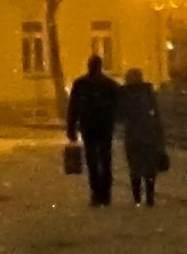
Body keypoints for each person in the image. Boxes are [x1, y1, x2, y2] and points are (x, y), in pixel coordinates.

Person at [65, 55, 121, 207]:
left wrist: (71, 127)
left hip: (89, 127)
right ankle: (104, 194)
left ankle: (97, 193)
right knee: (104, 160)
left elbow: (73, 108)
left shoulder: (81, 84)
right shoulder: (109, 85)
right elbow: (119, 105)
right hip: (103, 126)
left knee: (93, 162)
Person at [117, 67, 169, 206]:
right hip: (148, 135)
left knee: (135, 167)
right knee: (149, 168)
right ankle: (150, 197)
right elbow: (155, 115)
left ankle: (137, 198)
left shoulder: (125, 94)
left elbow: (120, 116)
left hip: (133, 136)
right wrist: (159, 135)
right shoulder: (147, 93)